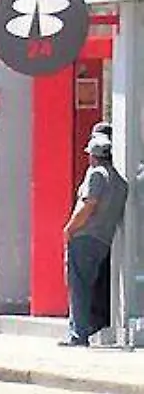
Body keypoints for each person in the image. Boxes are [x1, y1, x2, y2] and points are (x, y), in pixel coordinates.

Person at [63, 132, 129, 347]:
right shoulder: (120, 182)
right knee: (90, 285)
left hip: (84, 236)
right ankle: (87, 328)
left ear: (93, 155)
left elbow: (88, 205)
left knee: (78, 285)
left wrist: (70, 228)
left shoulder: (96, 174)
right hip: (104, 240)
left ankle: (78, 334)